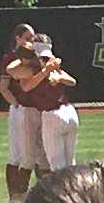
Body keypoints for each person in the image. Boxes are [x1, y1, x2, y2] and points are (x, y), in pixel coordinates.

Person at [12, 33, 81, 175]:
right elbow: (20, 79)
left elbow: (72, 81)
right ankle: (74, 193)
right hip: (69, 113)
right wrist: (47, 72)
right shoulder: (38, 68)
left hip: (54, 114)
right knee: (70, 163)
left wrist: (58, 77)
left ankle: (65, 195)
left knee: (58, 166)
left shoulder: (47, 66)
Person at [0, 22, 44, 203]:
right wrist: (16, 104)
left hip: (39, 108)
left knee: (40, 154)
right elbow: (4, 88)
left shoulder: (36, 57)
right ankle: (15, 199)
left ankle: (41, 198)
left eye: (32, 38)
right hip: (21, 108)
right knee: (17, 155)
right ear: (17, 39)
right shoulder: (11, 58)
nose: (30, 42)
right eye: (26, 38)